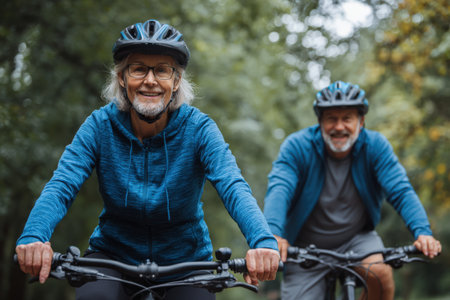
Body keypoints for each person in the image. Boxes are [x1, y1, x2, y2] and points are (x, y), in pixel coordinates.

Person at [15, 19, 280, 300]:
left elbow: (232, 185)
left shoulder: (199, 128)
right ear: (121, 77)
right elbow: (62, 184)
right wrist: (33, 236)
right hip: (113, 257)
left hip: (186, 261)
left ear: (176, 81)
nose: (150, 80)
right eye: (139, 68)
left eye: (163, 70)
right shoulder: (99, 125)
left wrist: (262, 242)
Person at [263, 81, 441, 300]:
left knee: (380, 274)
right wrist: (273, 235)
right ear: (320, 122)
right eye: (332, 119)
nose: (339, 127)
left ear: (361, 121)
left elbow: (400, 190)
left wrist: (422, 231)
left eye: (347, 118)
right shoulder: (297, 146)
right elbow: (280, 189)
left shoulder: (376, 146)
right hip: (304, 248)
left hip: (358, 240)